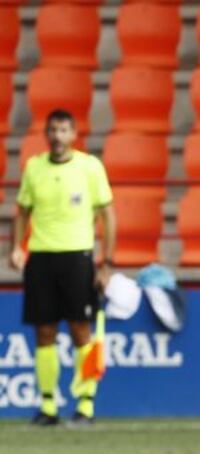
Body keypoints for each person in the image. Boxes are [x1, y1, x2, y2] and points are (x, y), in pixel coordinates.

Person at [10, 109, 115, 426]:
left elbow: (108, 214)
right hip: (41, 257)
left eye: (64, 130)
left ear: (73, 134)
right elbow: (22, 211)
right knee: (44, 332)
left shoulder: (89, 166)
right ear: (46, 134)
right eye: (53, 130)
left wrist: (106, 262)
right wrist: (17, 246)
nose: (58, 136)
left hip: (77, 258)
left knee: (81, 332)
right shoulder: (34, 167)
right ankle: (48, 406)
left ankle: (85, 405)